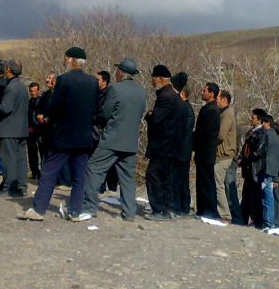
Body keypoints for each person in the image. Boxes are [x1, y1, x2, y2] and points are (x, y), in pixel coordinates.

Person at [20, 47, 99, 221]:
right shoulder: (93, 82)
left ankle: (38, 209)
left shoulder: (64, 80)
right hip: (84, 136)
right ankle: (75, 212)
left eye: (66, 58)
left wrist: (49, 118)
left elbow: (55, 106)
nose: (64, 61)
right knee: (79, 176)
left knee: (49, 171)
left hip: (64, 136)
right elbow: (95, 107)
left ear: (71, 59)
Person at [79, 57, 147, 222]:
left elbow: (105, 114)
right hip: (131, 141)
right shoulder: (141, 91)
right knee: (127, 178)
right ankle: (129, 213)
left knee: (94, 168)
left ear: (120, 72)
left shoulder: (115, 89)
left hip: (112, 139)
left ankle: (89, 207)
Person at [144, 64, 179, 221]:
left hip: (162, 145)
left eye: (153, 78)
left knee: (153, 175)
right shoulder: (172, 95)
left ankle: (158, 209)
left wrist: (149, 116)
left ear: (159, 79)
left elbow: (157, 118)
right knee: (166, 177)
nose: (152, 81)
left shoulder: (165, 96)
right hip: (170, 144)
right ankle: (169, 208)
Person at [0, 59, 29, 197]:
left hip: (9, 128)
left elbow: (6, 108)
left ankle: (9, 187)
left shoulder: (11, 87)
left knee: (9, 159)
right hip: (21, 128)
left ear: (8, 69)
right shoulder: (21, 86)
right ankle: (21, 186)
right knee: (21, 159)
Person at [193, 82, 221, 220]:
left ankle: (209, 210)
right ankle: (202, 208)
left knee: (207, 182)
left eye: (204, 90)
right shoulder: (207, 109)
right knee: (201, 181)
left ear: (211, 93)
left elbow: (206, 133)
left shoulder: (212, 111)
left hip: (206, 152)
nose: (202, 92)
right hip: (202, 151)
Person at [170, 73, 194, 217]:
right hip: (182, 149)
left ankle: (180, 206)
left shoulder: (185, 109)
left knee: (179, 179)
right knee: (180, 179)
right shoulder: (185, 108)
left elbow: (183, 131)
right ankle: (181, 205)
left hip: (181, 150)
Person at [239, 108, 267, 227]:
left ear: (259, 120)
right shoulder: (251, 132)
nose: (250, 119)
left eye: (253, 117)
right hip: (248, 168)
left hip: (256, 168)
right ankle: (243, 219)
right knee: (246, 195)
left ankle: (257, 221)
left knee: (255, 196)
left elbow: (258, 152)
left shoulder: (262, 134)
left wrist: (246, 159)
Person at [215, 89, 239, 222]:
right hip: (224, 154)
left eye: (218, 99)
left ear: (224, 100)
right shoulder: (227, 113)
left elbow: (221, 135)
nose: (216, 101)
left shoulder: (227, 115)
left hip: (224, 154)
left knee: (218, 183)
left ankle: (225, 215)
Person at [94, 69, 119, 193]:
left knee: (108, 162)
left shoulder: (109, 94)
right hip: (97, 131)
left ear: (104, 81)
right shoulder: (96, 94)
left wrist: (95, 118)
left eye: (97, 80)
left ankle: (111, 187)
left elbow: (105, 114)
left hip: (105, 131)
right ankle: (101, 186)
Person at [27, 82, 42, 179]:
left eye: (35, 91)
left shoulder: (42, 101)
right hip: (30, 130)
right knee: (32, 152)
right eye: (31, 91)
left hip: (40, 129)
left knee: (42, 151)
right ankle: (34, 172)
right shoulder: (29, 102)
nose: (33, 93)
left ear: (38, 91)